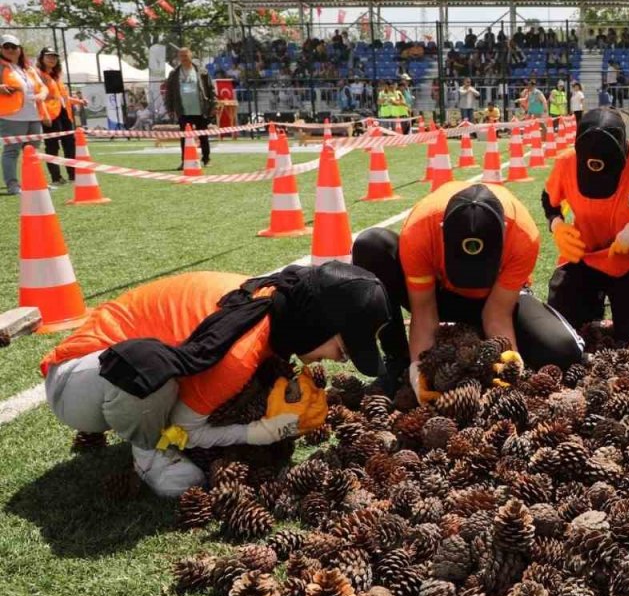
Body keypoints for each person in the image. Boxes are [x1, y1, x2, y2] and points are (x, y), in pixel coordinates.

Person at [42, 263, 392, 497]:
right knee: (149, 372)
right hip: (77, 381)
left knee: (160, 371)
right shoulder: (241, 349)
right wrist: (258, 433)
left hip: (103, 370)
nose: (336, 361)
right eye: (342, 350)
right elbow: (190, 430)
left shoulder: (274, 301)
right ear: (319, 324)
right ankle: (149, 452)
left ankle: (153, 428)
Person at [352, 181, 584, 395]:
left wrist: (509, 362)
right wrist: (419, 370)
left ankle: (478, 343)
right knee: (372, 245)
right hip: (440, 293)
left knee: (562, 351)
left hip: (494, 298)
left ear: (504, 234)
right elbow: (424, 310)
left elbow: (498, 313)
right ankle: (397, 359)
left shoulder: (522, 235)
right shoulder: (421, 229)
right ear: (442, 231)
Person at [542, 108, 629, 341]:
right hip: (582, 256)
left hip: (628, 260)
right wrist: (556, 224)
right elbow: (548, 199)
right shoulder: (566, 162)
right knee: (560, 330)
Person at [0, 34, 49, 196]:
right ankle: (13, 186)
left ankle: (35, 183)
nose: (10, 50)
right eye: (6, 47)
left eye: (14, 47)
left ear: (20, 49)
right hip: (11, 117)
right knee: (12, 151)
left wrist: (42, 94)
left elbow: (43, 87)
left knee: (33, 151)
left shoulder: (28, 68)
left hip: (34, 115)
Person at [35, 48, 82, 186]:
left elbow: (63, 97)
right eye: (48, 56)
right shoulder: (38, 74)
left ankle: (73, 175)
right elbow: (40, 97)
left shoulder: (56, 76)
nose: (52, 59)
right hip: (50, 115)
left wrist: (78, 101)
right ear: (42, 58)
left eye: (55, 57)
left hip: (64, 114)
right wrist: (44, 115)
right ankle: (56, 178)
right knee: (52, 146)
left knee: (70, 144)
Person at [164, 48, 215, 168]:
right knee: (184, 138)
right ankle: (185, 161)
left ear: (191, 56)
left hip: (200, 109)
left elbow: (211, 89)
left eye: (186, 55)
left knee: (204, 136)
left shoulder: (202, 71)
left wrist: (214, 105)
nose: (183, 58)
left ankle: (206, 159)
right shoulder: (174, 74)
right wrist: (170, 108)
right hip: (183, 110)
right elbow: (169, 92)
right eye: (181, 56)